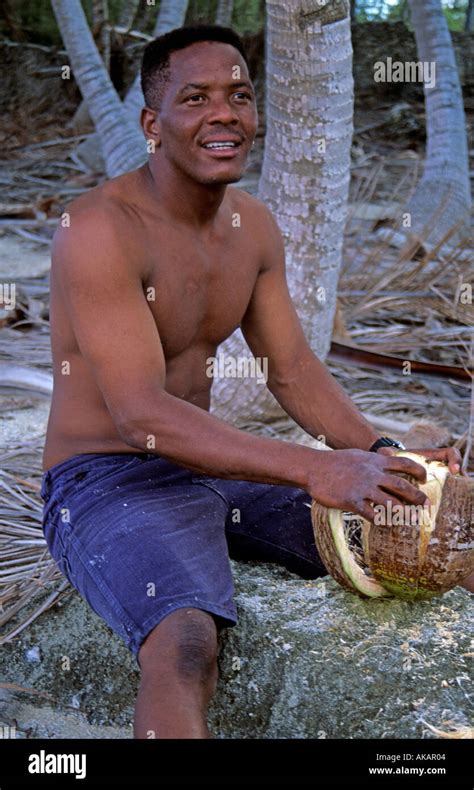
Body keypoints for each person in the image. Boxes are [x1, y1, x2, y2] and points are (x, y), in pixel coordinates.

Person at [40, 25, 472, 739]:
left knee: (433, 537)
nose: (225, 114)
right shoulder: (98, 231)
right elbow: (140, 415)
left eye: (239, 95)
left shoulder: (253, 226)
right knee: (184, 645)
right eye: (197, 98)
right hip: (105, 479)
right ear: (154, 124)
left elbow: (292, 369)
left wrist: (388, 453)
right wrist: (315, 468)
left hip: (211, 467)